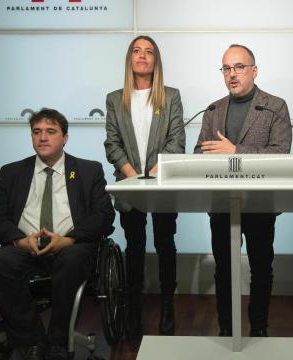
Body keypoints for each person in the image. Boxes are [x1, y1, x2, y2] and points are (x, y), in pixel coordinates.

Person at [0, 108, 115, 360]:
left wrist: (69, 238)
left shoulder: (88, 170)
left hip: (70, 246)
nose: (42, 137)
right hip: (25, 246)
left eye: (50, 132)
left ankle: (58, 341)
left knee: (72, 259)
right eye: (37, 132)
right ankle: (32, 339)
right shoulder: (12, 172)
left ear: (64, 138)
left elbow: (104, 216)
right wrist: (20, 240)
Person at [194, 44, 292, 337]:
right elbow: (199, 152)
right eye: (226, 68)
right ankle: (226, 328)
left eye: (238, 67)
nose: (232, 74)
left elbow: (281, 153)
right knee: (224, 270)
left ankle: (259, 327)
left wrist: (234, 151)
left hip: (261, 203)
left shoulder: (275, 106)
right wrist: (215, 153)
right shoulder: (213, 109)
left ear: (254, 70)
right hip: (221, 203)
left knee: (261, 269)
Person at [104, 35, 185, 336]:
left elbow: (176, 142)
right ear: (130, 59)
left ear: (155, 61)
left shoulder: (171, 96)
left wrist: (153, 173)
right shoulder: (115, 99)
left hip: (162, 184)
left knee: (166, 245)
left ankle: (167, 307)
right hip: (129, 185)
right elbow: (112, 143)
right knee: (135, 246)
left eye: (148, 52)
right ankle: (134, 311)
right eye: (137, 51)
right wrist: (132, 175)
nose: (142, 56)